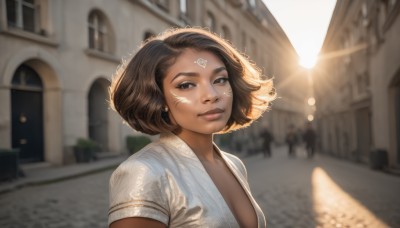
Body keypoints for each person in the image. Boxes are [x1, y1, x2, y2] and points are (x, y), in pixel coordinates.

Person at [108, 27, 275, 228]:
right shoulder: (144, 172)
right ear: (159, 97)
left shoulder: (235, 164)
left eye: (220, 80)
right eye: (186, 85)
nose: (211, 94)